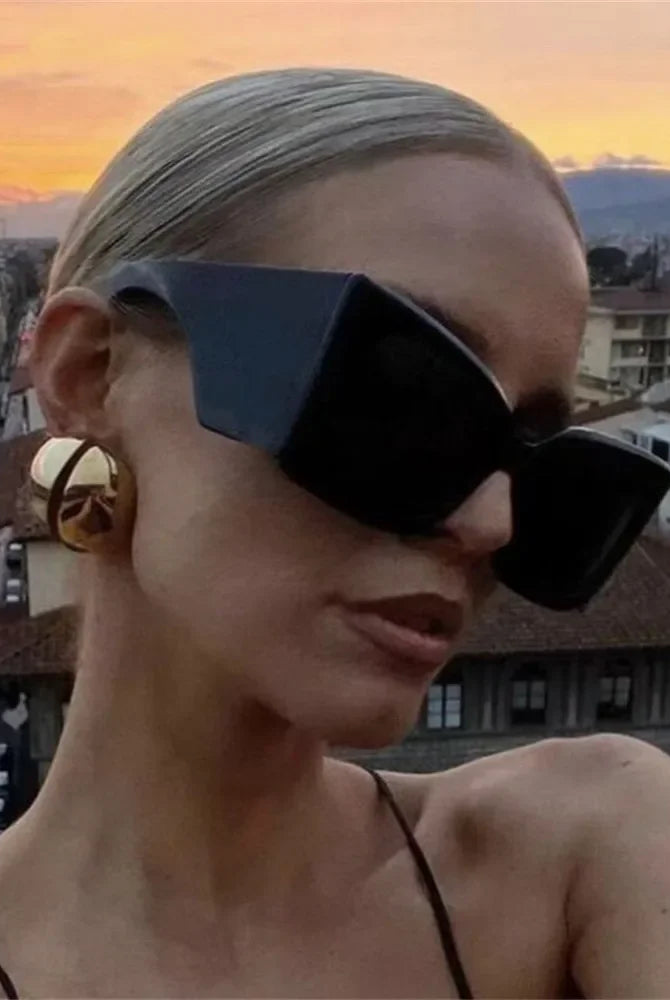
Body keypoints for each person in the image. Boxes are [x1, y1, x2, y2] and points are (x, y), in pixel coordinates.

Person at [0, 67, 667, 999]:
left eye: (544, 467)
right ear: (92, 372)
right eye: (405, 399)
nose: (491, 521)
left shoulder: (598, 851)